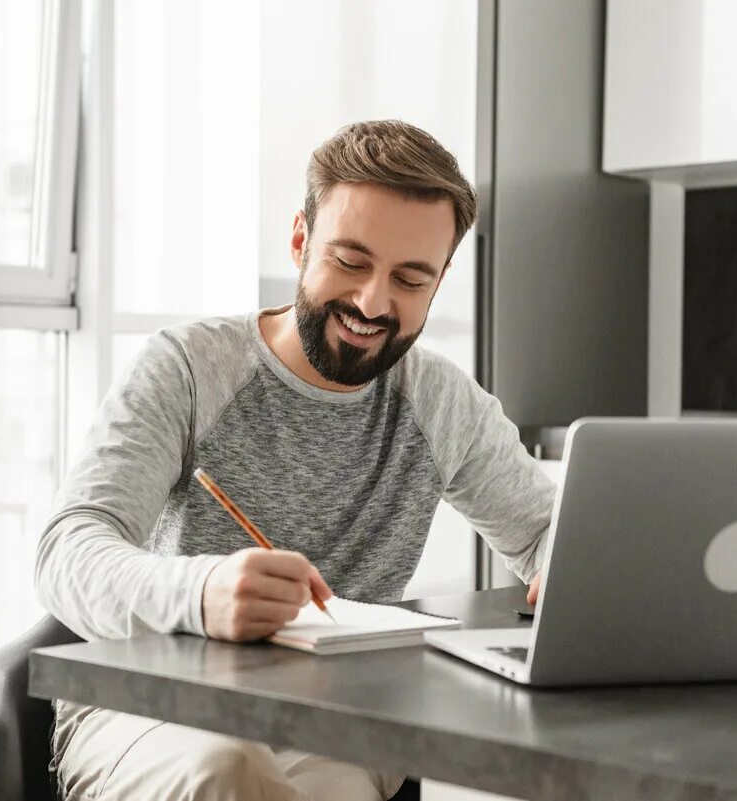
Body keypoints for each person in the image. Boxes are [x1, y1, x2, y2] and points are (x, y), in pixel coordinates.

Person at [36, 119, 555, 801]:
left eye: (409, 278)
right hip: (149, 704)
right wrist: (201, 593)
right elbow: (67, 551)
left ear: (440, 280)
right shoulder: (190, 368)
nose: (373, 302)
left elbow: (552, 533)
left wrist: (561, 564)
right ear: (300, 240)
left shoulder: (441, 402)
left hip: (335, 720)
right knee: (226, 770)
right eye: (350, 260)